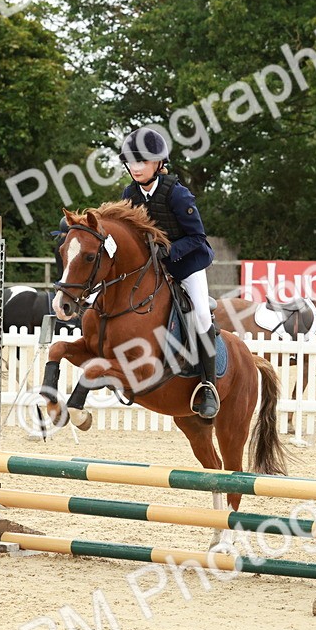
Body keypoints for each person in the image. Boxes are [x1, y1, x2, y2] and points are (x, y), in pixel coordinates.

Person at [119, 126, 219, 420]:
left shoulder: (177, 194)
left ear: (158, 163)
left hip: (187, 264)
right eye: (132, 162)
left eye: (142, 161)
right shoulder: (129, 194)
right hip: (152, 267)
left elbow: (197, 237)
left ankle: (208, 385)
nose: (136, 168)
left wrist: (169, 251)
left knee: (201, 314)